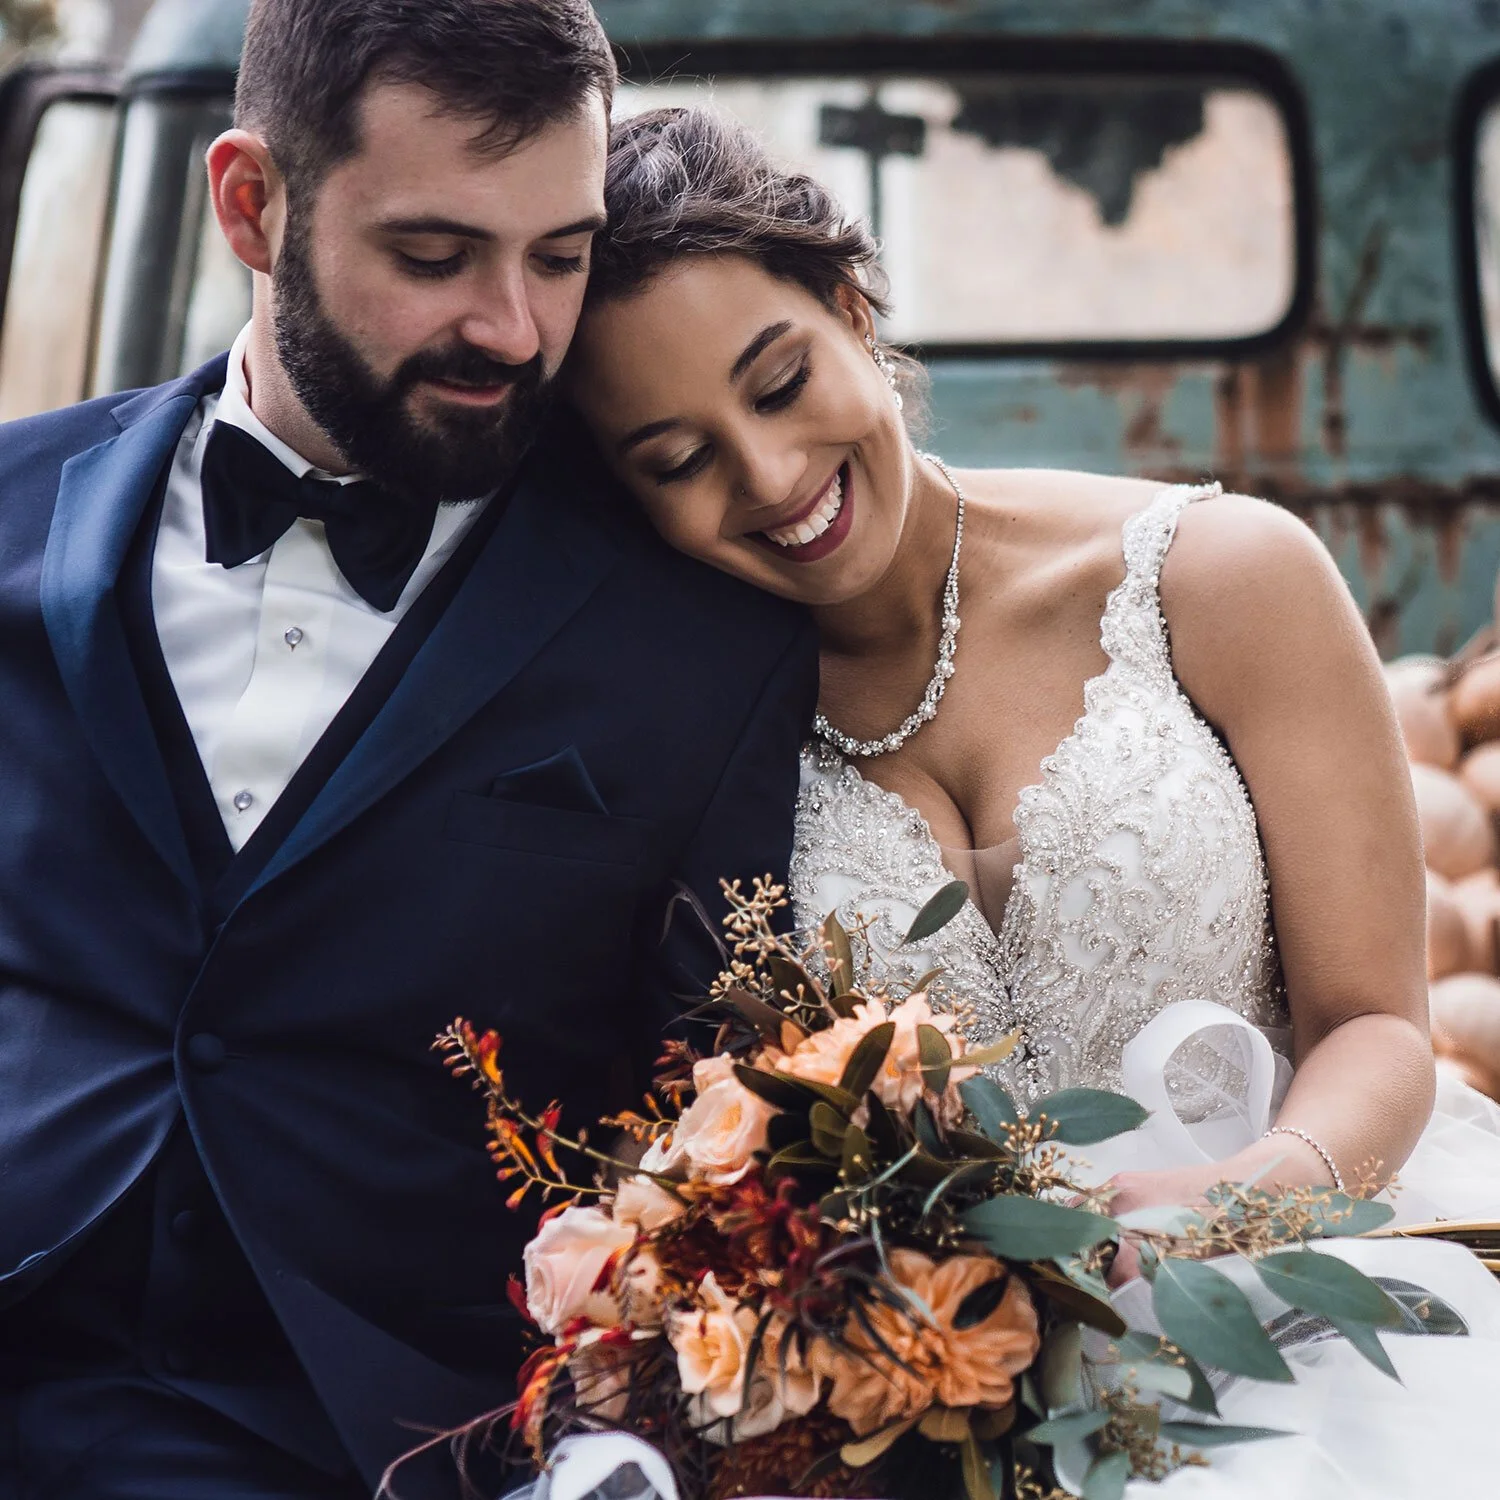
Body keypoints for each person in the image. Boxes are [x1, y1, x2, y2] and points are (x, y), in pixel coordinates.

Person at [565, 104, 1500, 1498]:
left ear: (849, 301)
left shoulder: (1226, 579)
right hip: (931, 1416)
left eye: (776, 383)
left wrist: (1208, 1223)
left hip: (1293, 1319)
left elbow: (1379, 1025)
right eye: (679, 461)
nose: (767, 478)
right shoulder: (680, 741)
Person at [0, 13, 816, 1498]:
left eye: (560, 258)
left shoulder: (708, 645)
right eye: (436, 258)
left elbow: (716, 1147)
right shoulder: (12, 512)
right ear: (253, 206)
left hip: (379, 1445)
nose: (514, 329)